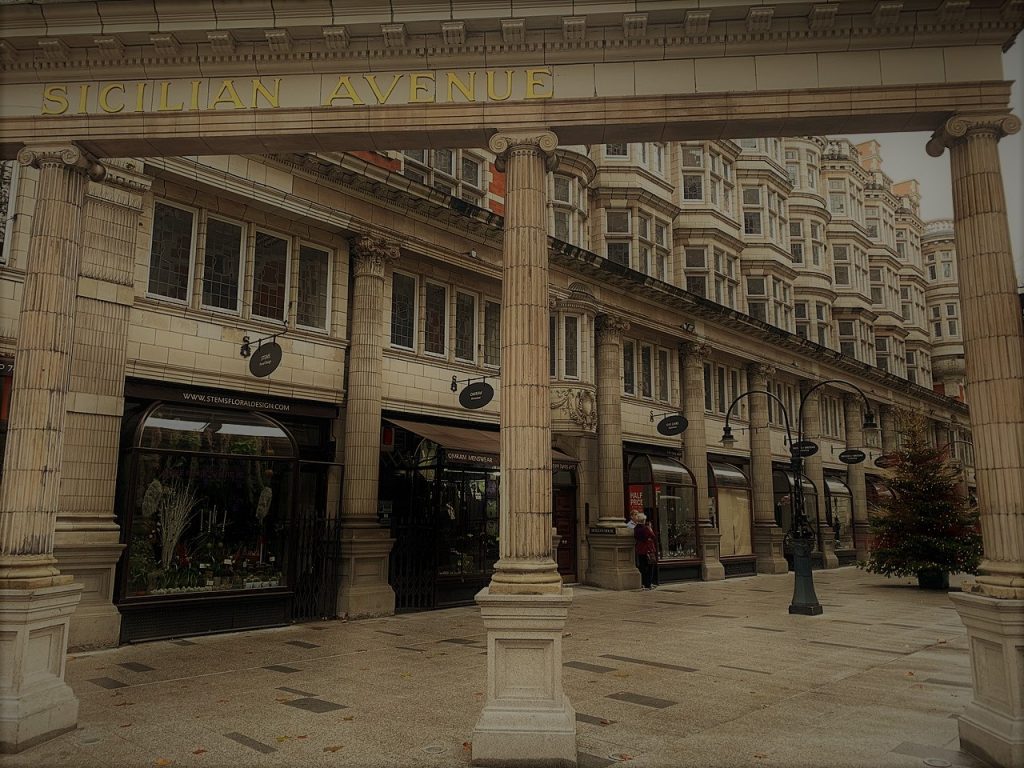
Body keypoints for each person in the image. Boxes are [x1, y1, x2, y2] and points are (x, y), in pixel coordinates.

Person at [633, 513, 658, 590]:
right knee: (650, 567)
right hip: (648, 550)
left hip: (640, 550)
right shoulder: (646, 528)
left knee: (642, 567)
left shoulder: (636, 528)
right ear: (644, 520)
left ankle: (643, 583)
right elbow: (653, 536)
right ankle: (648, 584)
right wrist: (650, 528)